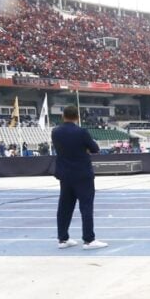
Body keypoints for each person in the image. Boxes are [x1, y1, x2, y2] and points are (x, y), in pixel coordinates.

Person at [51, 105, 107, 249]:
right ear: (77, 117)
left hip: (65, 174)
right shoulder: (81, 132)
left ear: (63, 116)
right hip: (82, 174)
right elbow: (95, 148)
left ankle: (62, 239)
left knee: (64, 207)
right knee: (86, 207)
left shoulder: (55, 132)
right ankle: (89, 239)